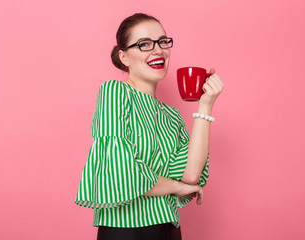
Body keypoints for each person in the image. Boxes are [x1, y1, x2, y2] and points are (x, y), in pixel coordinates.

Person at [75, 13, 224, 240]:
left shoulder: (171, 115)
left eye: (163, 41)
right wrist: (176, 187)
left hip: (170, 228)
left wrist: (205, 107)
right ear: (124, 57)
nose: (158, 50)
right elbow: (120, 175)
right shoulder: (114, 93)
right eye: (145, 44)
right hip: (127, 231)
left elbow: (191, 175)